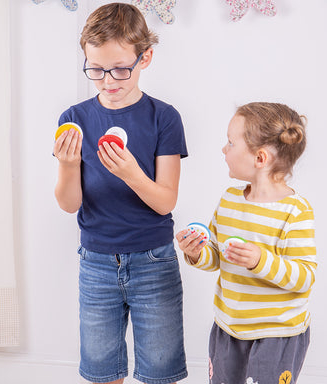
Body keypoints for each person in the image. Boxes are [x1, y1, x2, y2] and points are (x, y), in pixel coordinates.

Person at [53, 3, 188, 384]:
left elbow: (165, 201)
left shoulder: (164, 117)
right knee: (101, 370)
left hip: (153, 260)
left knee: (160, 370)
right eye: (95, 69)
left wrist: (131, 173)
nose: (108, 81)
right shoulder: (74, 119)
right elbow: (69, 204)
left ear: (145, 58)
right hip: (96, 261)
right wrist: (67, 165)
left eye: (119, 69)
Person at [176, 102, 317, 384]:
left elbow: (304, 277)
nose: (223, 150)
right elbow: (216, 257)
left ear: (260, 158)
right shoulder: (229, 200)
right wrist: (196, 253)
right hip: (229, 327)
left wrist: (259, 261)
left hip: (277, 334)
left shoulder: (295, 211)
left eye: (230, 143)